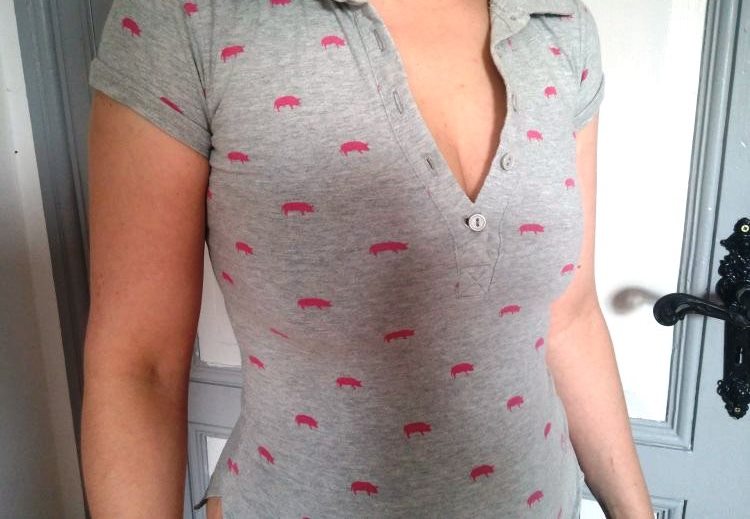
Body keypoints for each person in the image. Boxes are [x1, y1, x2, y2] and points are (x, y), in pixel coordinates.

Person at [82, 0, 653, 517]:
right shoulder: (191, 18)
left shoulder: (559, 25)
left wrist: (635, 512)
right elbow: (139, 365)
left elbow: (570, 317)